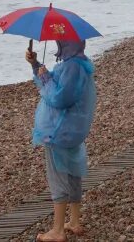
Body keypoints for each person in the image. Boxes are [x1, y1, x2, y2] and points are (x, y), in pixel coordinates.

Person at [25, 40, 96, 242]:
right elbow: (57, 85)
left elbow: (60, 98)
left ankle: (57, 231)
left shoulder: (71, 67)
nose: (58, 44)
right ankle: (74, 221)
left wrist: (45, 77)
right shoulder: (78, 63)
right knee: (73, 172)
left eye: (60, 41)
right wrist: (36, 65)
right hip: (71, 129)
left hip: (59, 130)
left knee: (58, 177)